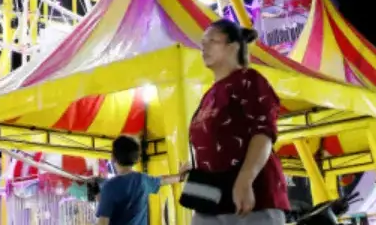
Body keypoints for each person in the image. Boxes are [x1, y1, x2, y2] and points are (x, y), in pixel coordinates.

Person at [187, 19, 290, 225]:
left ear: (233, 47)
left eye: (212, 41)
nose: (203, 47)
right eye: (202, 42)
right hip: (210, 200)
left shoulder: (248, 79)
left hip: (251, 199)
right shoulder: (209, 95)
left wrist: (246, 179)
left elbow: (264, 132)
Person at [96, 135, 181, 225]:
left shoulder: (109, 187)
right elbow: (163, 180)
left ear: (113, 157)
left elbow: (103, 222)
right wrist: (180, 176)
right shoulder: (143, 180)